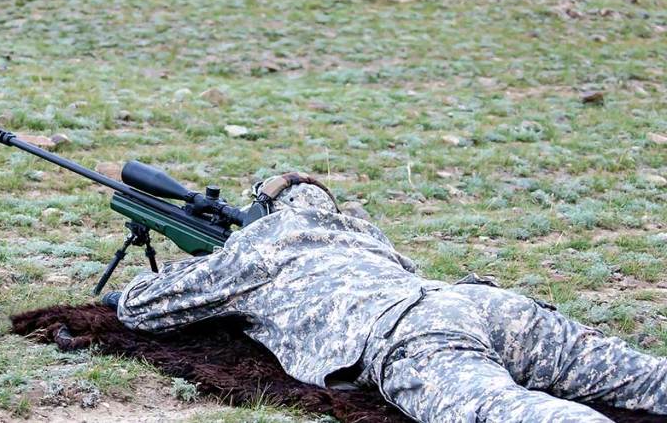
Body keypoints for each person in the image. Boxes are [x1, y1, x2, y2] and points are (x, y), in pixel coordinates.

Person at [110, 173, 667, 423]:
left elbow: (141, 309)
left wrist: (204, 264)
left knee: (500, 411)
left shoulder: (257, 248)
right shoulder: (362, 232)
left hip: (410, 333)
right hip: (487, 304)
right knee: (644, 378)